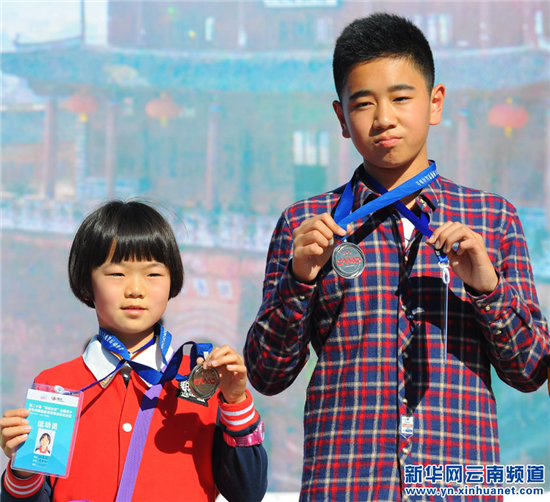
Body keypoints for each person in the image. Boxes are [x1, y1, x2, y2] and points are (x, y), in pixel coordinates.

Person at [244, 12, 549, 502]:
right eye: (363, 103)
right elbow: (266, 373)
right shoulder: (308, 224)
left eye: (401, 98)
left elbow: (531, 369)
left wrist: (487, 288)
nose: (383, 118)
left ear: (435, 102)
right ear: (341, 119)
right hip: (346, 483)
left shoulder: (492, 218)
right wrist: (300, 279)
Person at [1, 200, 268, 502]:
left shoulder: (203, 382)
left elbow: (247, 493)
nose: (136, 290)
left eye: (153, 274)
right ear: (86, 282)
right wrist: (22, 471)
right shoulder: (56, 387)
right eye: (117, 274)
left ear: (173, 281)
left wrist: (235, 402)